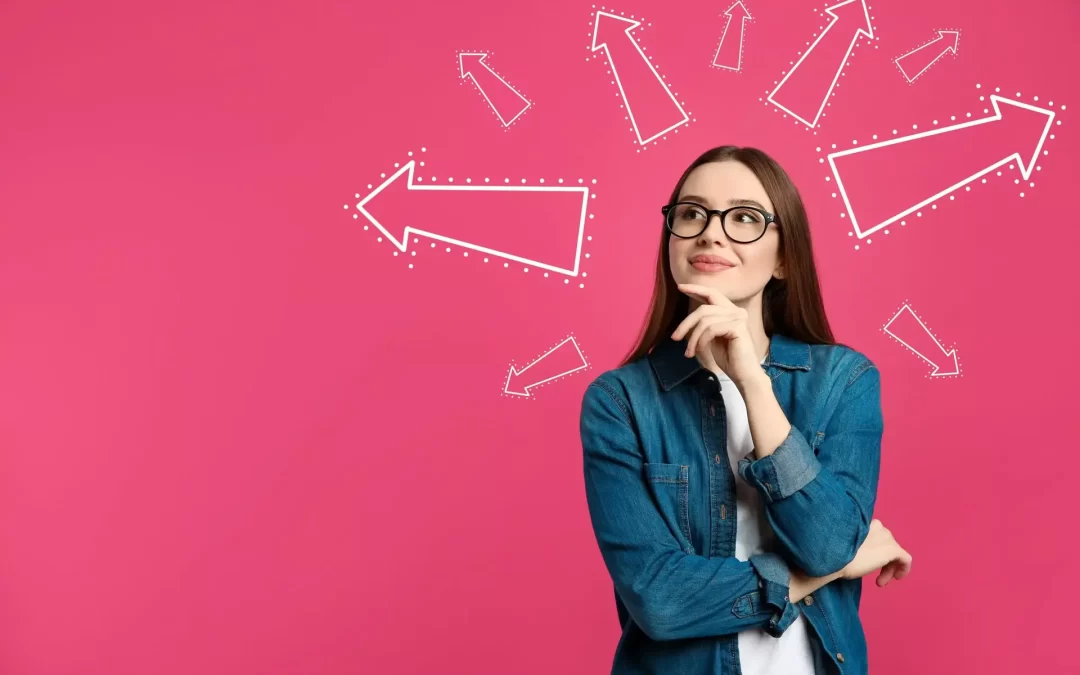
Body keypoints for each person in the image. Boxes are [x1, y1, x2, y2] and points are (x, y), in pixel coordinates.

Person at [579, 145, 912, 675]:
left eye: (744, 218)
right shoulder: (620, 402)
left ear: (783, 257)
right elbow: (660, 602)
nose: (711, 233)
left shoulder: (843, 381)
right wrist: (812, 577)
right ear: (671, 241)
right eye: (691, 214)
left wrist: (753, 384)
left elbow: (826, 543)